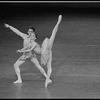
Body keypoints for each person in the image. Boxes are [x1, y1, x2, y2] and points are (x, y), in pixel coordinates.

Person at [4, 15, 62, 87]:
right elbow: (17, 32)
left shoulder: (33, 41)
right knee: (16, 65)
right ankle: (19, 79)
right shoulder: (24, 36)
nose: (29, 32)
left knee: (39, 66)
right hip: (26, 55)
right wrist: (9, 26)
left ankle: (47, 78)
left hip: (31, 55)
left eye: (31, 32)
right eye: (29, 31)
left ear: (33, 33)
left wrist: (20, 51)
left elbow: (29, 49)